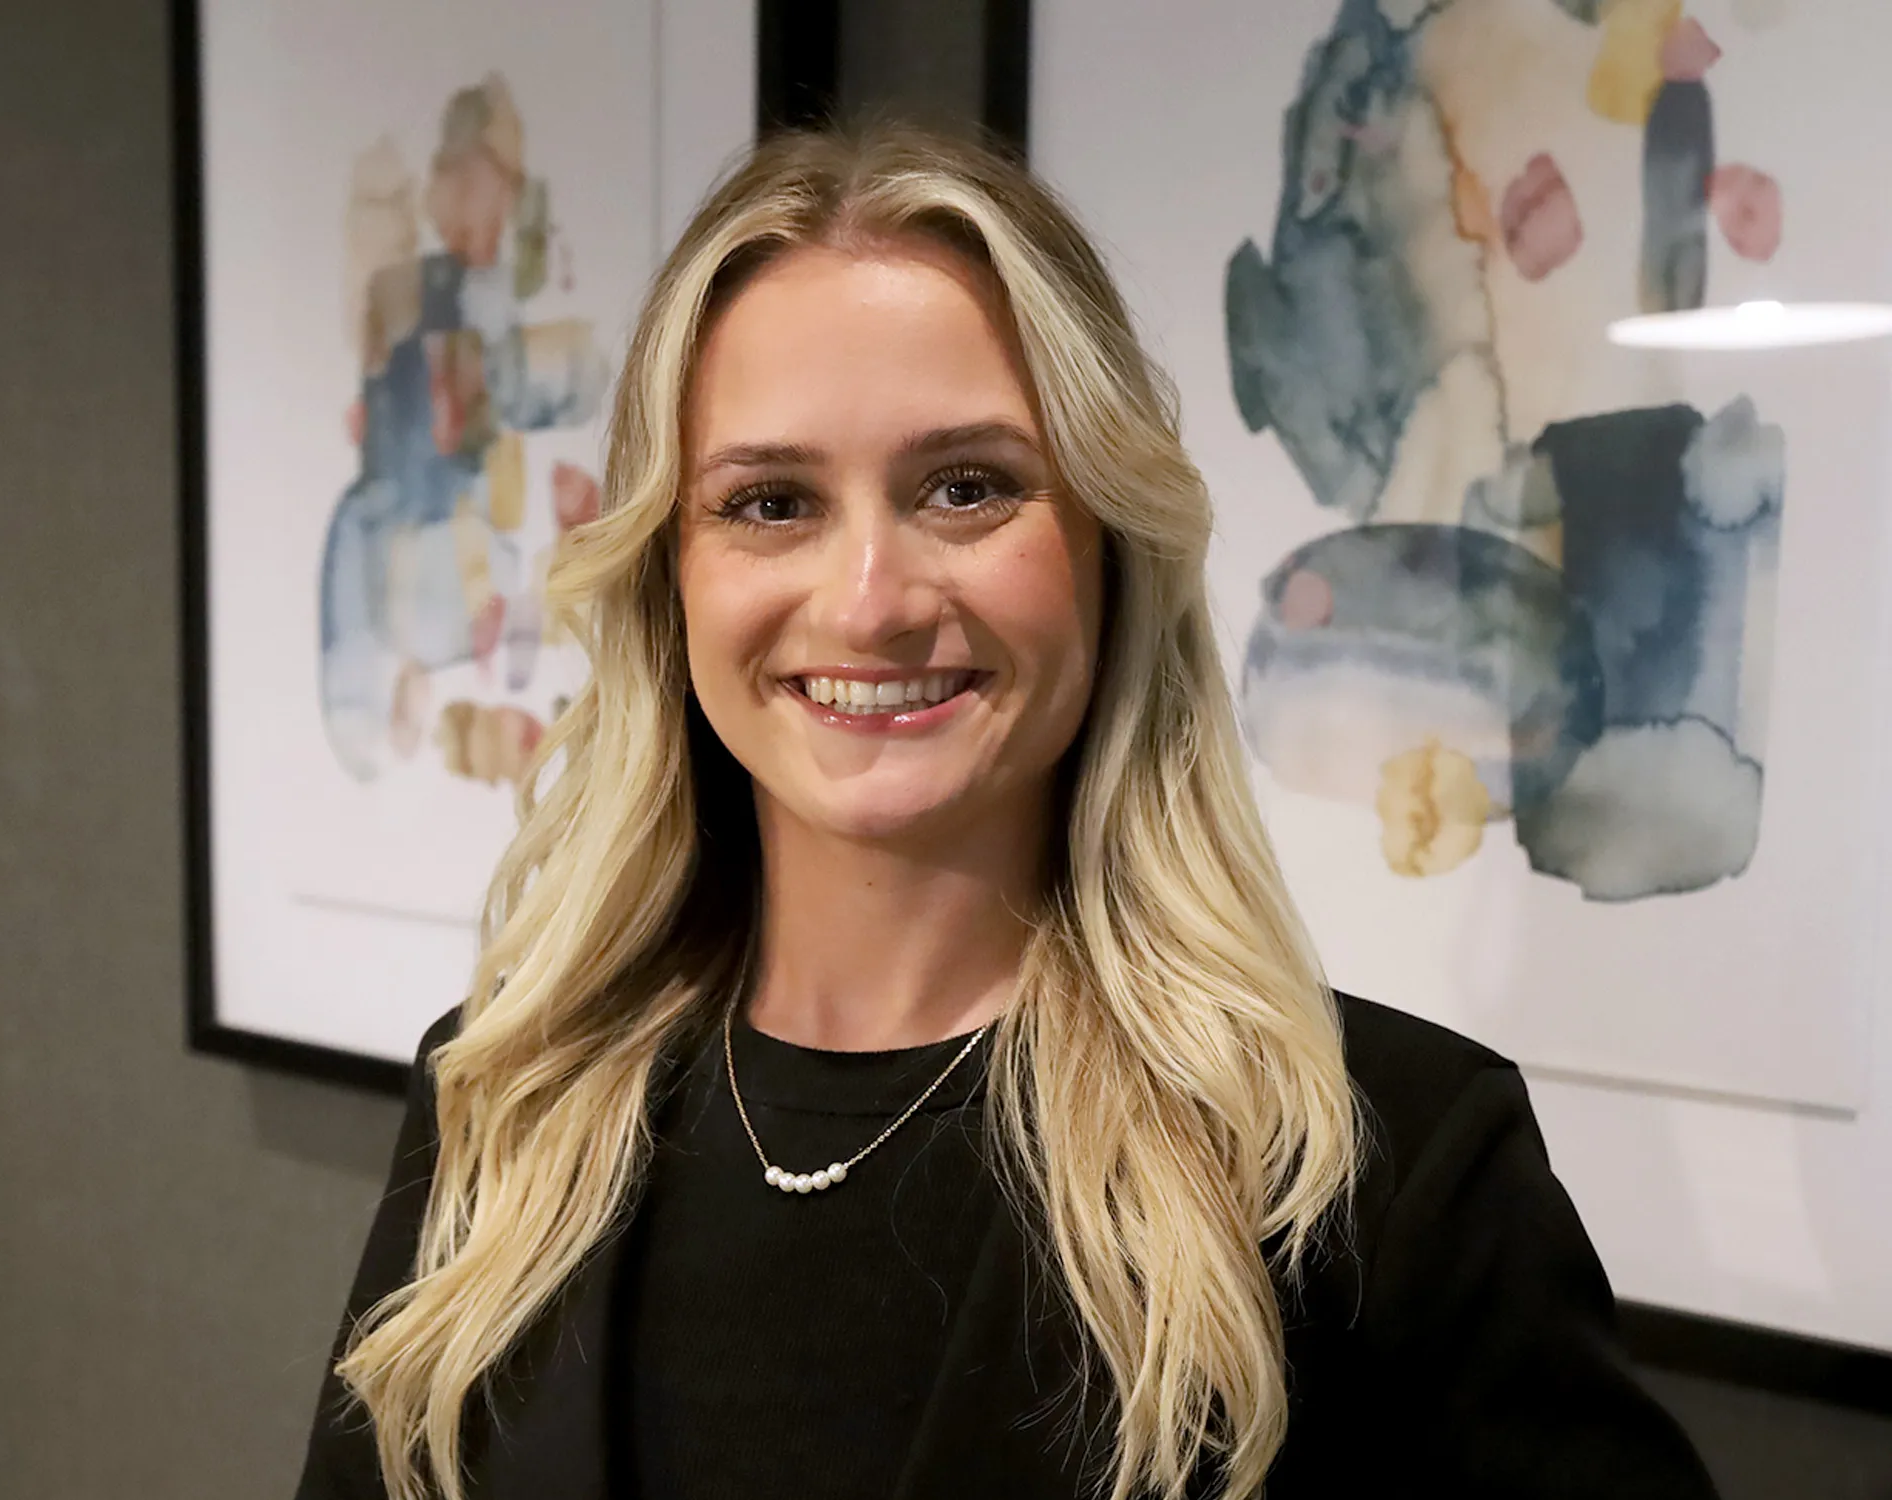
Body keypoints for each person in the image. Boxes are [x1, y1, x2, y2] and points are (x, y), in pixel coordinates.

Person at [293, 123, 1719, 1500]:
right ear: (670, 576)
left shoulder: (1375, 1170)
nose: (869, 602)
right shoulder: (507, 1105)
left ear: (1109, 545)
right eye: (772, 502)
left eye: (966, 487)